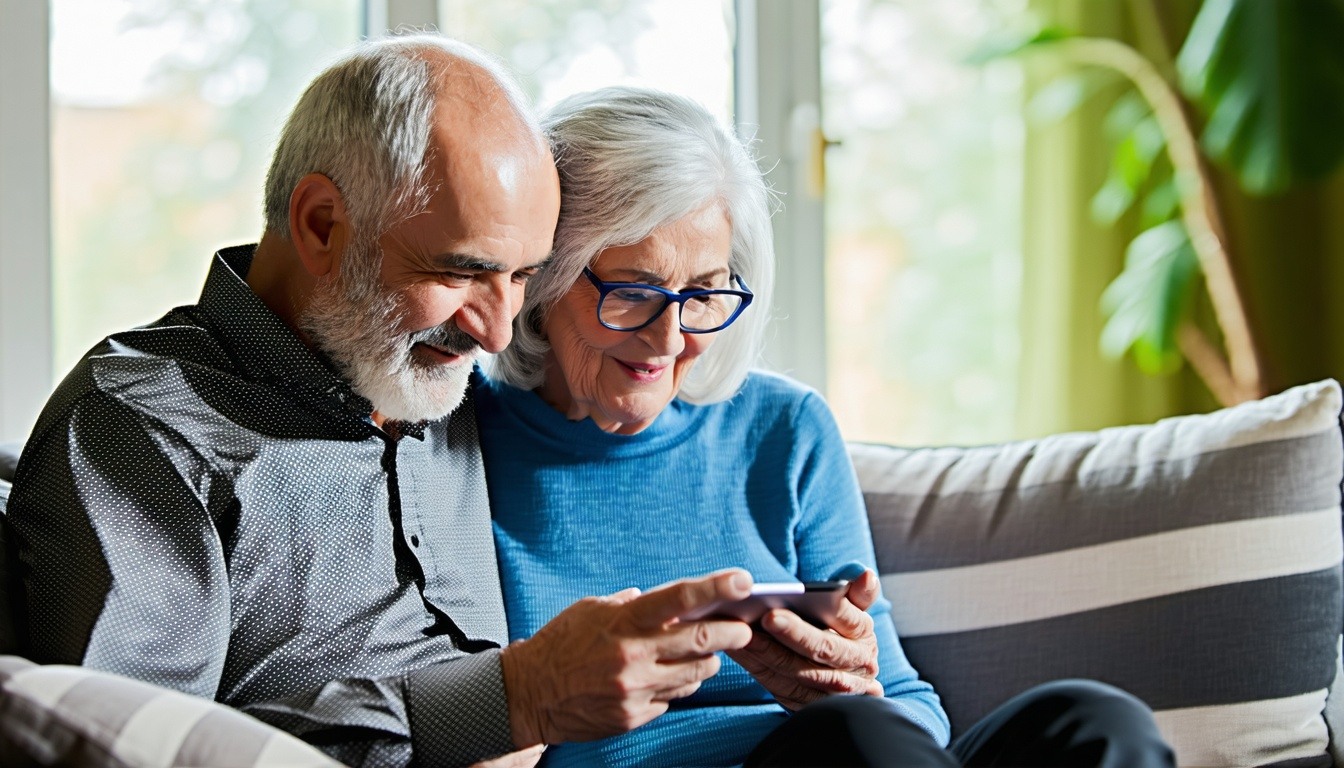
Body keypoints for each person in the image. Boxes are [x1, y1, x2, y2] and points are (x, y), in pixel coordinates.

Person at [6, 35, 768, 768]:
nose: (498, 331)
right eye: (461, 272)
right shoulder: (144, 426)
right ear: (321, 226)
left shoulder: (439, 376)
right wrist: (509, 701)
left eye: (522, 276)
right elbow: (132, 745)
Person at [476, 86, 1177, 767]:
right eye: (633, 292)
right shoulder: (458, 447)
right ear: (541, 276)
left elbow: (905, 703)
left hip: (856, 749)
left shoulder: (784, 429)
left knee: (1093, 721)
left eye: (703, 293)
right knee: (848, 737)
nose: (669, 338)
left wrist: (854, 683)